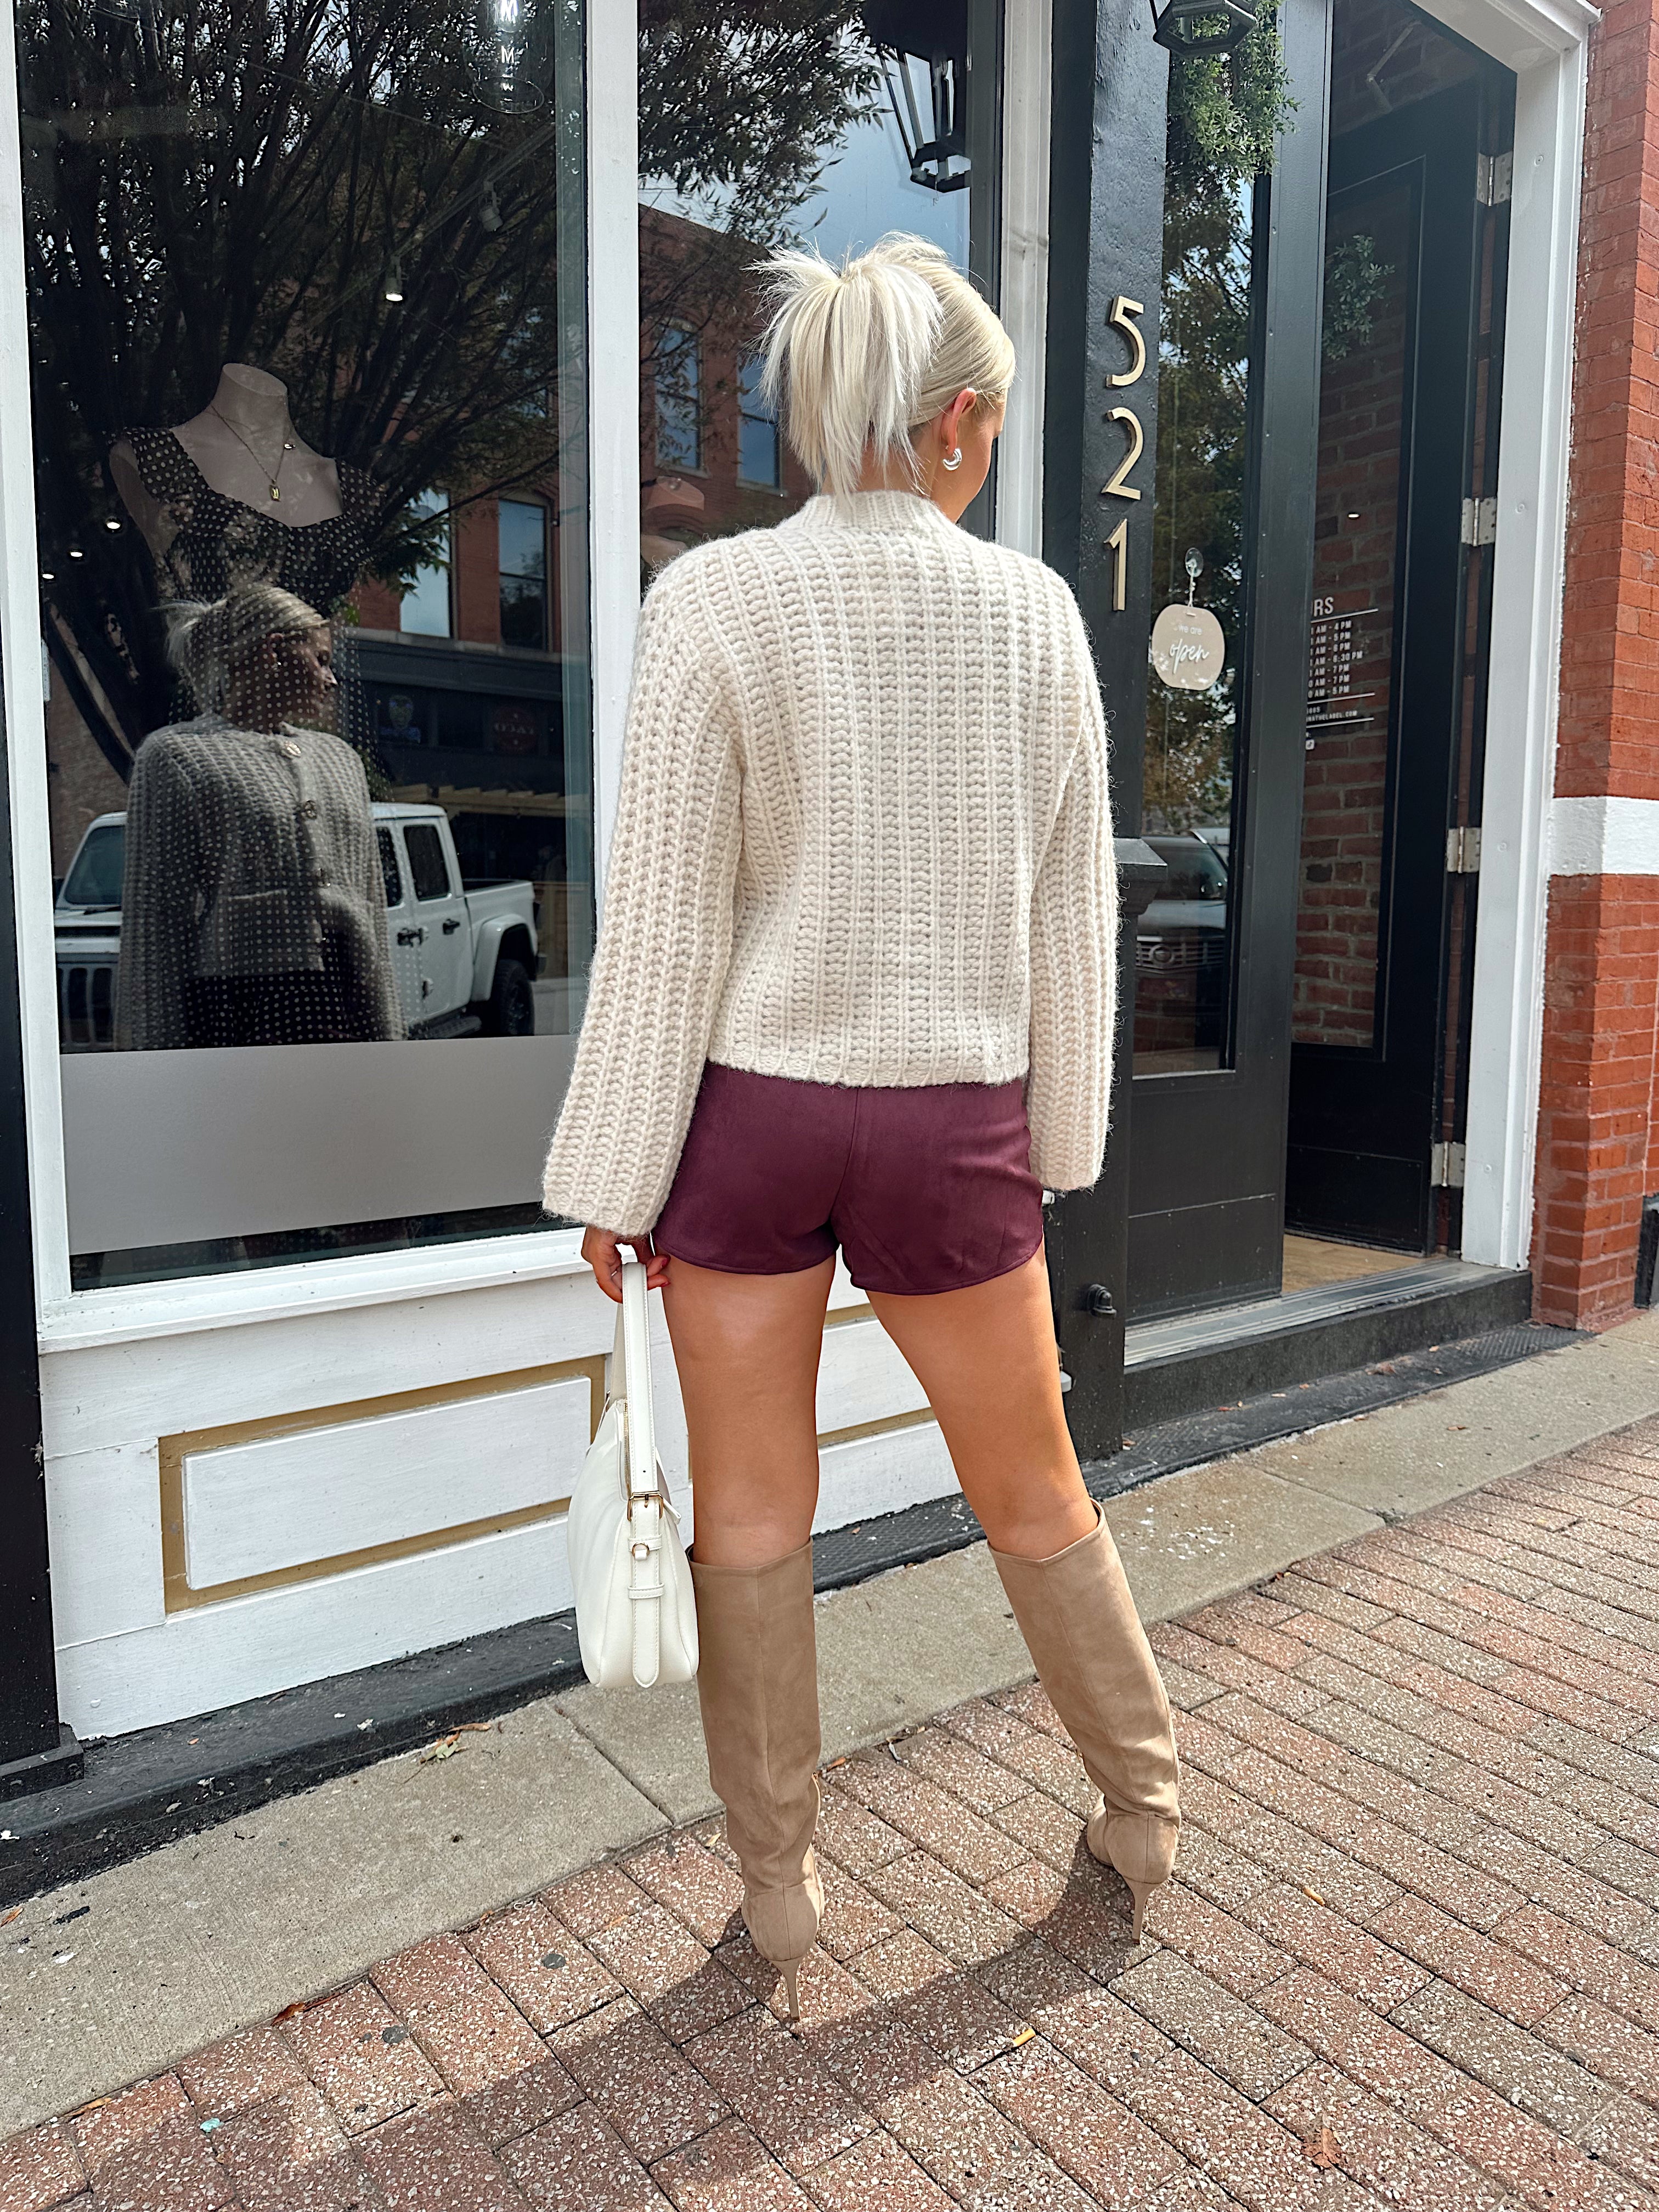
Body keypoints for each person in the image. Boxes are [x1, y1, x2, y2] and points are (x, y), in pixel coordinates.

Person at [542, 233, 1180, 2015]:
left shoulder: (710, 604)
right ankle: (1143, 1814)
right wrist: (1057, 1146)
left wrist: (611, 1171)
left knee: (750, 1510)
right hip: (952, 1124)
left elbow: (665, 920)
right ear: (962, 420)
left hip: (745, 1119)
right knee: (1034, 1485)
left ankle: (779, 1898)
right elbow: (1073, 916)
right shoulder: (1036, 614)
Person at [115, 582, 402, 1051]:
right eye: (321, 660)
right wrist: (152, 1066)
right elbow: (155, 925)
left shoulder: (341, 759)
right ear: (274, 652)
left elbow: (370, 901)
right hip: (244, 1008)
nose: (331, 681)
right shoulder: (176, 757)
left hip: (349, 1000)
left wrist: (391, 1037)